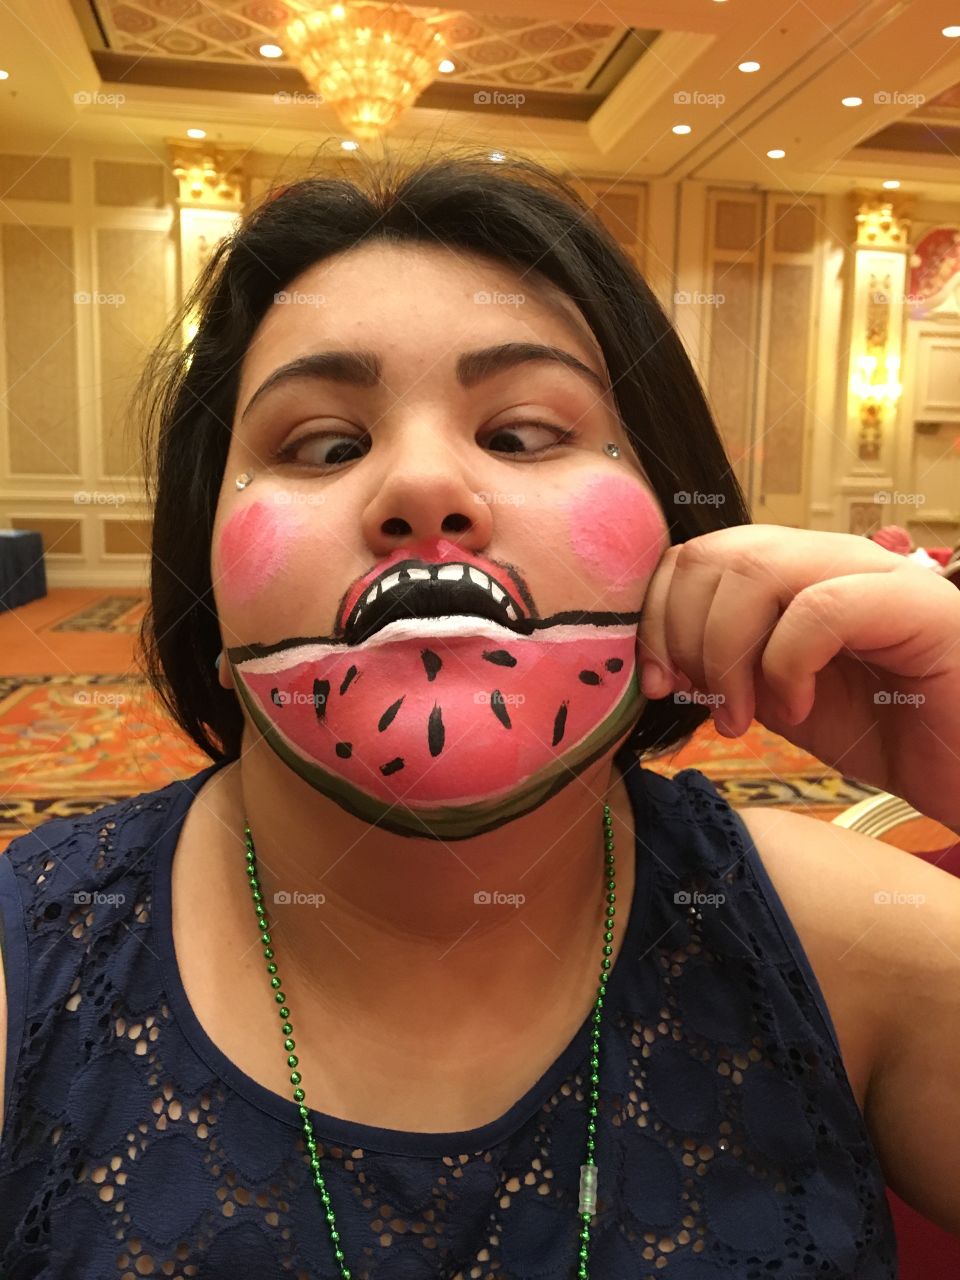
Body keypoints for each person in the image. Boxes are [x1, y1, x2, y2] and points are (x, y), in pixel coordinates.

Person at [1, 146, 959, 1277]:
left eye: (520, 434)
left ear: (676, 531)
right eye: (324, 445)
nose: (420, 485)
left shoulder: (852, 942)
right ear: (205, 585)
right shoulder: (33, 973)